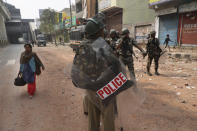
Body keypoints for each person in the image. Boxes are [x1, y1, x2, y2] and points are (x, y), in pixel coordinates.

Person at [71, 13, 117, 131]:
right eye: (102, 29)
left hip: (90, 88)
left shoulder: (82, 46)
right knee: (107, 116)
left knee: (93, 117)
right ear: (97, 32)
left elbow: (76, 69)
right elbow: (115, 65)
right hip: (106, 87)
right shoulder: (102, 45)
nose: (104, 31)